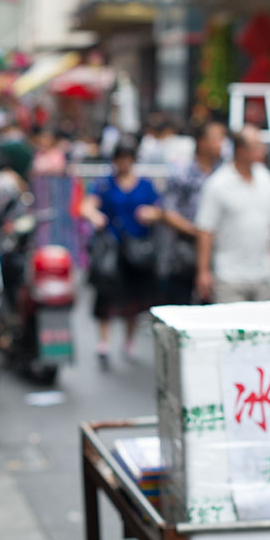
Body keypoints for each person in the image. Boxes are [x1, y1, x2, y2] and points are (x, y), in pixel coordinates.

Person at [79, 141, 162, 368]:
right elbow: (86, 206)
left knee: (133, 299)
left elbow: (160, 210)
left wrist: (151, 214)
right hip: (111, 249)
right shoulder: (104, 185)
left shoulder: (145, 186)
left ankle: (128, 341)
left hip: (136, 250)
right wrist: (95, 216)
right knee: (106, 296)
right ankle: (104, 343)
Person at [194, 124, 270, 303]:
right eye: (256, 147)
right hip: (229, 276)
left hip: (263, 274)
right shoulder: (218, 184)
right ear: (241, 151)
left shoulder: (266, 179)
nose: (262, 151)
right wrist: (203, 272)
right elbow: (205, 230)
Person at [157, 121, 226, 305]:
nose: (222, 144)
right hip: (185, 254)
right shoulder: (183, 173)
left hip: (218, 256)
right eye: (217, 139)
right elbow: (168, 212)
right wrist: (199, 232)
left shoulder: (225, 174)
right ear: (202, 142)